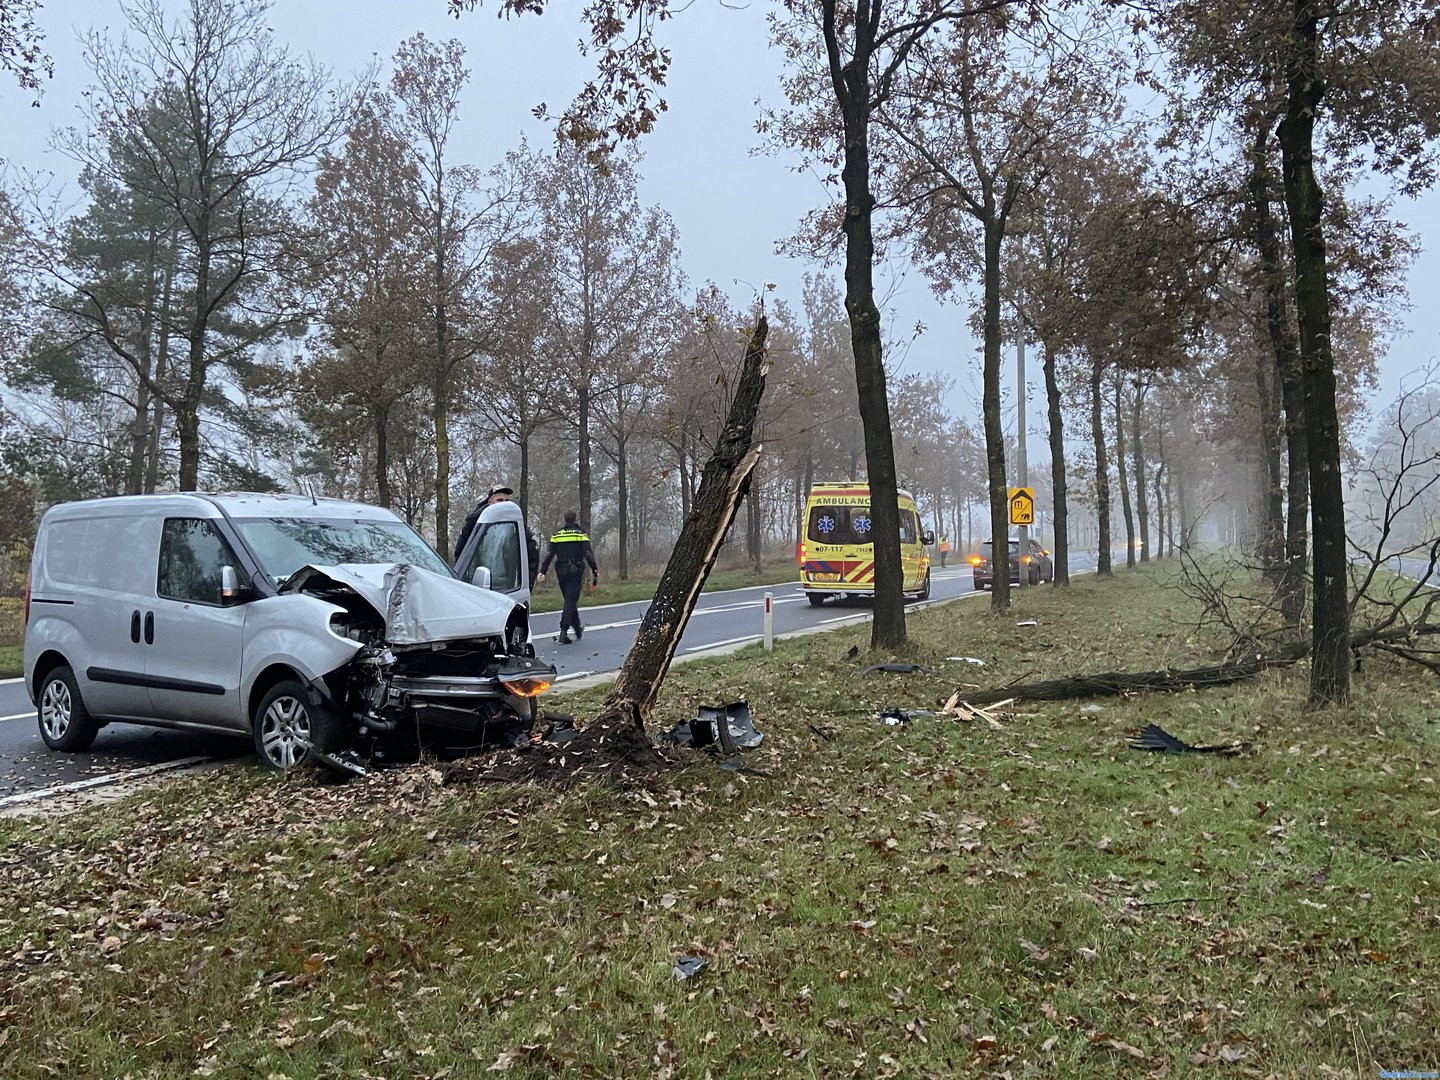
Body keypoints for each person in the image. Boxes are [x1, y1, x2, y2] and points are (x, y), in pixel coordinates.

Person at [454, 483, 539, 587]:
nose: (503, 504)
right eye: (499, 500)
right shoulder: (475, 524)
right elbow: (462, 553)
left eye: (506, 501)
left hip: (508, 586)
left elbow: (532, 554)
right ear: (490, 502)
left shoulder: (516, 525)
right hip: (479, 585)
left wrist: (527, 583)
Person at [537, 511, 598, 644]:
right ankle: (563, 632)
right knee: (570, 600)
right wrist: (594, 569)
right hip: (575, 570)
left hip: (561, 570)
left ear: (565, 520)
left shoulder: (557, 535)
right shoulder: (580, 534)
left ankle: (577, 628)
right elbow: (587, 553)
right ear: (575, 519)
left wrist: (543, 571)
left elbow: (549, 554)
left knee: (569, 599)